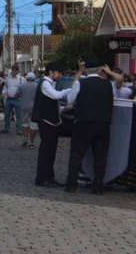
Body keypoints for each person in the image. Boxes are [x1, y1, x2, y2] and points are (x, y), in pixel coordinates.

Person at [65, 61, 122, 193]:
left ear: (86, 70)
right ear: (100, 70)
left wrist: (78, 73)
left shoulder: (81, 83)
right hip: (103, 123)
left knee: (76, 155)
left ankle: (71, 184)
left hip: (83, 123)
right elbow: (120, 80)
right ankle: (98, 186)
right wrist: (109, 72)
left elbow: (70, 99)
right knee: (101, 156)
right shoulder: (109, 84)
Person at [31, 61, 78, 187]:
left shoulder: (49, 83)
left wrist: (63, 109)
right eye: (58, 72)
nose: (60, 75)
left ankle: (49, 177)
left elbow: (52, 104)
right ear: (51, 72)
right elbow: (56, 95)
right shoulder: (45, 84)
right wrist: (72, 89)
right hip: (46, 122)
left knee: (51, 152)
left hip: (52, 122)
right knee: (46, 151)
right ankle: (41, 178)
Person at [19, 71, 39, 148]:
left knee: (25, 123)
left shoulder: (21, 86)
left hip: (24, 107)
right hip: (34, 108)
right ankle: (32, 143)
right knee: (33, 125)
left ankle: (25, 138)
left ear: (26, 78)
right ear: (34, 78)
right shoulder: (38, 86)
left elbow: (16, 95)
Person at [2, 65, 24, 135]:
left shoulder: (21, 79)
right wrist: (3, 93)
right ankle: (7, 128)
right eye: (13, 70)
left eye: (15, 70)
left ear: (18, 71)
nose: (14, 72)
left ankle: (19, 130)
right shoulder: (8, 79)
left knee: (19, 115)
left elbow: (24, 89)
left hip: (18, 99)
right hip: (9, 99)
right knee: (7, 114)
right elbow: (6, 88)